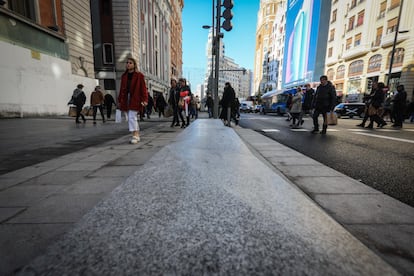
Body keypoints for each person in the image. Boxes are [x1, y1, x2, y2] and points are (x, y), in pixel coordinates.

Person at [117, 57, 148, 144]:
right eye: (127, 63)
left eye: (130, 63)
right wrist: (119, 100)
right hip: (126, 98)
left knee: (131, 117)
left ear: (134, 65)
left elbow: (143, 88)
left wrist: (145, 99)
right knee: (132, 118)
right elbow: (121, 89)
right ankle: (137, 134)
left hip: (135, 98)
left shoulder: (139, 75)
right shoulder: (124, 76)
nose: (128, 64)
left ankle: (134, 135)